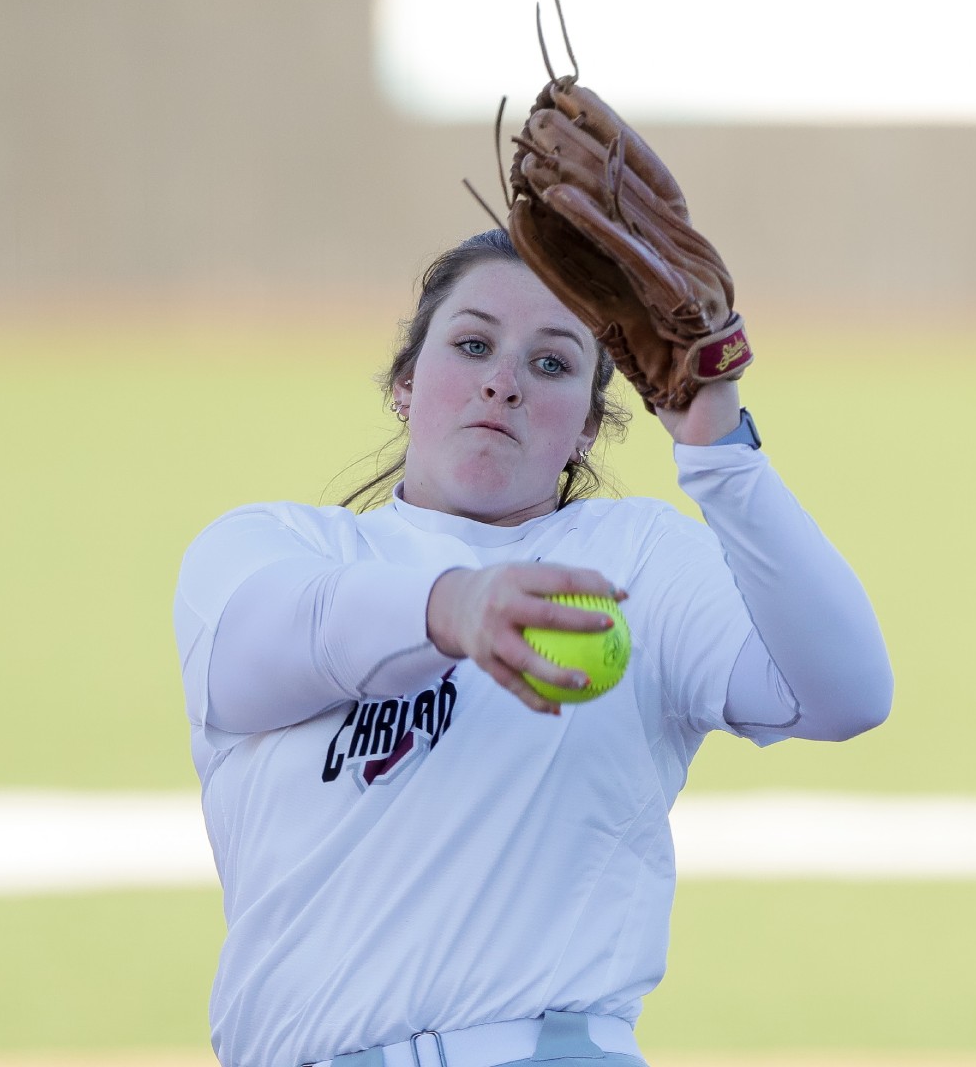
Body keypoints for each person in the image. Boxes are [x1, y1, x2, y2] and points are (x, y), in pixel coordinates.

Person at [174, 228, 892, 1067]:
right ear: (406, 383)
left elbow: (845, 694)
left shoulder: (635, 560)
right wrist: (455, 606)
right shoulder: (273, 548)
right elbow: (258, 653)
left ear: (590, 425)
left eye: (551, 364)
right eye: (473, 344)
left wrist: (720, 455)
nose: (502, 382)